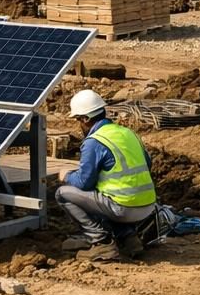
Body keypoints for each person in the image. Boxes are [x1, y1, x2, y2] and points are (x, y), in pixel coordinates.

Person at [55, 90, 156, 262]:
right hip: (147, 207)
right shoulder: (127, 133)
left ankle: (101, 243)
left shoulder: (95, 141)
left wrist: (66, 175)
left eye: (78, 120)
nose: (79, 126)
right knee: (104, 195)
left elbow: (83, 183)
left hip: (123, 209)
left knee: (63, 194)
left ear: (86, 119)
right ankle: (129, 238)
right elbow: (147, 164)